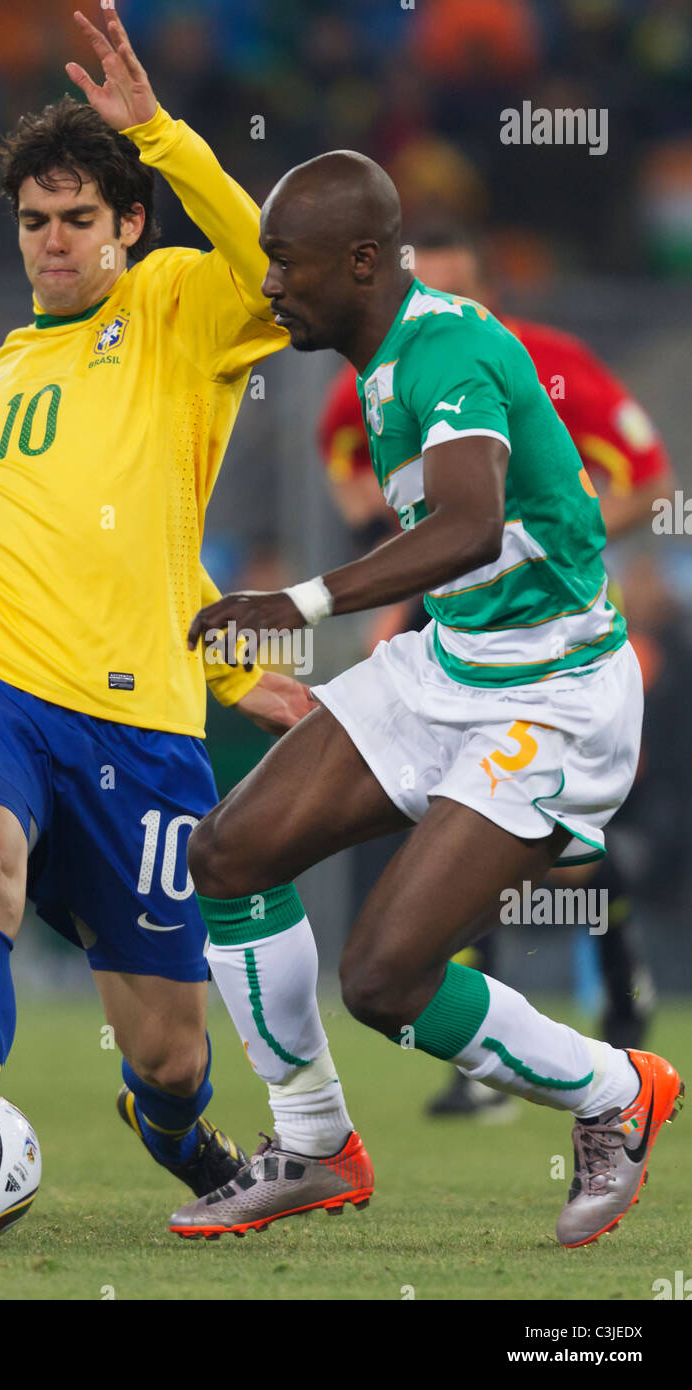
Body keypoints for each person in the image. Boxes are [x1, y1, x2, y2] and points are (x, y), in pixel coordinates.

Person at [170, 151, 683, 1246]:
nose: (267, 286)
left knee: (386, 977)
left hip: (550, 696)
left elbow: (467, 524)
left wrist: (296, 603)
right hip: (451, 663)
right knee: (228, 851)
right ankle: (311, 1143)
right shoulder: (376, 360)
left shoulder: (443, 347)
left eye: (285, 263)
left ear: (361, 261)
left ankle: (612, 1091)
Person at [0, 9, 314, 1208]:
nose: (54, 242)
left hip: (139, 722)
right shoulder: (10, 368)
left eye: (79, 218)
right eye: (35, 221)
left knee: (171, 1052)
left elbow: (276, 267)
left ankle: (172, 1127)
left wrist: (164, 139)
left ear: (127, 224)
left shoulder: (178, 309)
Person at [317, 225, 671, 1117]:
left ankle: (623, 998)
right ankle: (486, 1071)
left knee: (563, 861)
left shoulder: (543, 362)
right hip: (451, 616)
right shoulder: (373, 370)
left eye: (454, 292)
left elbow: (651, 478)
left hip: (569, 627)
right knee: (450, 829)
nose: (432, 313)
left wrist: (558, 535)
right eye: (418, 293)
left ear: (484, 296)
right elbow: (355, 490)